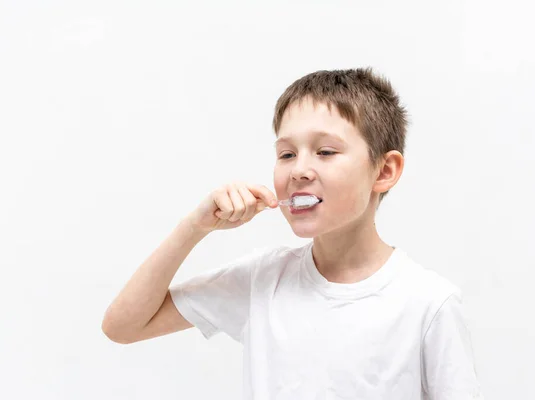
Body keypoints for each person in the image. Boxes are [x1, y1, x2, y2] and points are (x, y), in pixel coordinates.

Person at [102, 67, 484, 399]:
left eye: (326, 152)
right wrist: (195, 227)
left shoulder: (429, 305)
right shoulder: (263, 281)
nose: (298, 170)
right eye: (286, 154)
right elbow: (123, 325)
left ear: (384, 172)